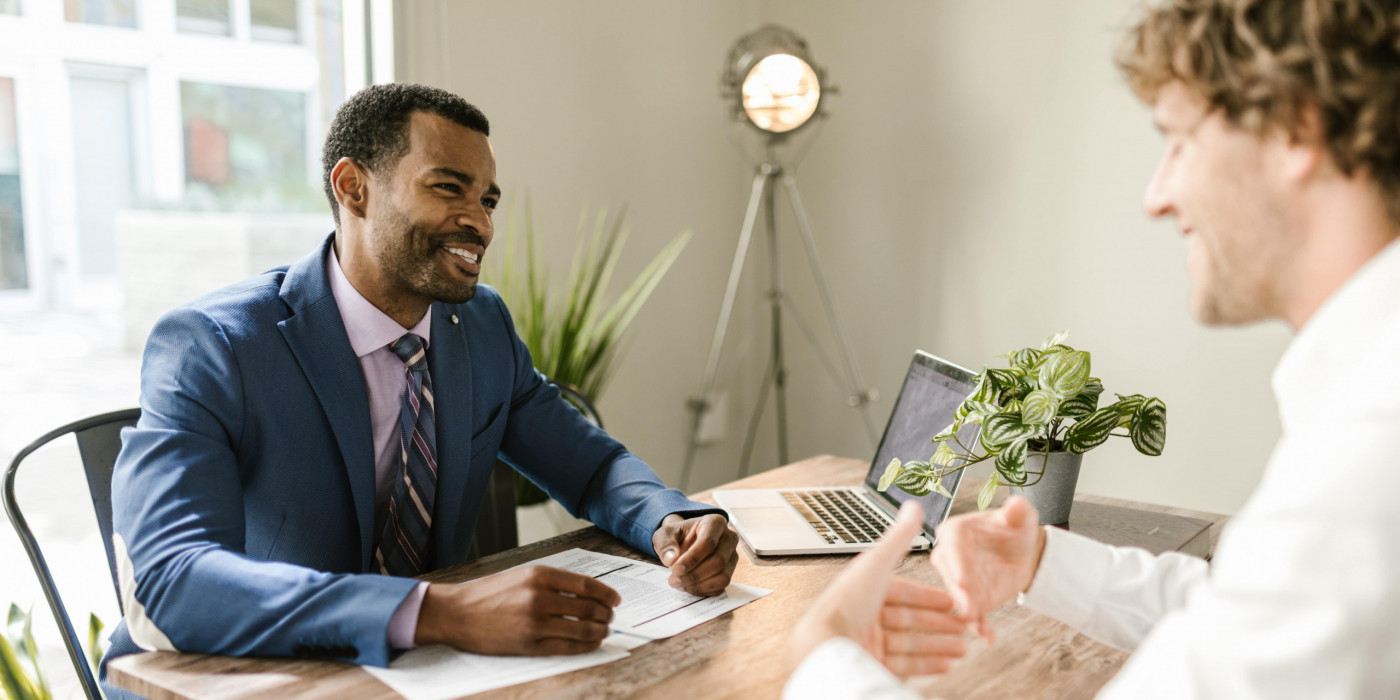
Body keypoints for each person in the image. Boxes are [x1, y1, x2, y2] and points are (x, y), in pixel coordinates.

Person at [787, 0, 1400, 696]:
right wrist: (1042, 563)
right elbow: (1251, 615)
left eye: (1178, 141)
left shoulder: (1369, 458)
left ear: (1297, 127)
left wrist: (821, 659)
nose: (1157, 196)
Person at [100, 83, 739, 696]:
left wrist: (669, 519)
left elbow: (591, 466)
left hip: (428, 671)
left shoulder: (481, 324)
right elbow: (170, 581)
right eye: (448, 188)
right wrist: (440, 611)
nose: (479, 224)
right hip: (241, 675)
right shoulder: (212, 345)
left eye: (488, 200)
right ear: (353, 188)